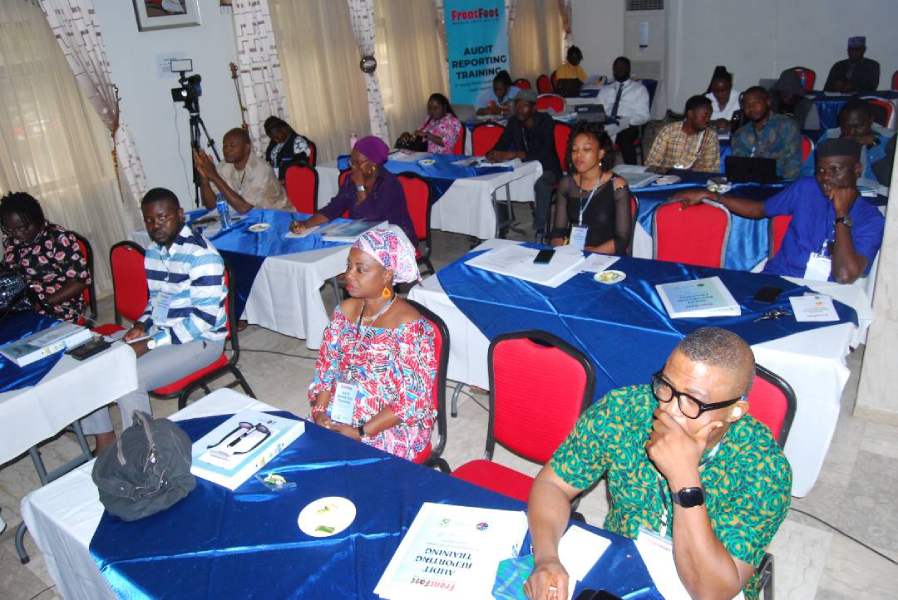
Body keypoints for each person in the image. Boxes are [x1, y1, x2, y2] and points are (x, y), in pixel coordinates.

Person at [525, 328, 791, 600]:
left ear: (735, 411)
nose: (668, 409)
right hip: (622, 561)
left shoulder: (765, 469)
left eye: (693, 401)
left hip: (705, 579)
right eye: (666, 386)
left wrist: (685, 480)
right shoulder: (623, 411)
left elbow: (712, 593)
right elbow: (553, 483)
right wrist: (546, 558)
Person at [81, 188, 228, 452]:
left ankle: (142, 454)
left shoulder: (202, 256)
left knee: (128, 380)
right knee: (94, 357)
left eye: (163, 217)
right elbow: (158, 299)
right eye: (149, 220)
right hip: (165, 331)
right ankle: (104, 438)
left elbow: (203, 320)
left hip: (202, 340)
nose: (155, 226)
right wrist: (142, 326)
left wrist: (149, 344)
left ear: (180, 215)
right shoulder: (154, 251)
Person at [675, 138, 884, 284]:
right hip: (780, 280)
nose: (825, 177)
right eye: (821, 170)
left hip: (828, 292)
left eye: (835, 169)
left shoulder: (871, 219)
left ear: (857, 170)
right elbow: (759, 209)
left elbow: (845, 275)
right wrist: (712, 196)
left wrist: (841, 213)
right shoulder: (806, 188)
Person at [308, 226, 436, 460]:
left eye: (360, 269)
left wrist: (360, 432)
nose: (349, 275)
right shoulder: (344, 312)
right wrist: (320, 412)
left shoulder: (409, 327)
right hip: (341, 411)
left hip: (390, 425)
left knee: (343, 466)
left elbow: (412, 401)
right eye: (349, 266)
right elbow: (326, 368)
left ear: (387, 275)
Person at [289, 136, 417, 244]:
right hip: (362, 234)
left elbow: (371, 216)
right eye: (351, 161)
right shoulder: (351, 180)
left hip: (394, 236)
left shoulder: (389, 183)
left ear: (373, 164)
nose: (353, 167)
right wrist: (306, 224)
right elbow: (334, 208)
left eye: (357, 162)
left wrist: (360, 187)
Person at [0, 192, 90, 322]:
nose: (17, 234)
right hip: (20, 306)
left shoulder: (57, 238)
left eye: (23, 227)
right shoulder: (11, 239)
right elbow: (10, 269)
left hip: (55, 307)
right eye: (10, 230)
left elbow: (79, 282)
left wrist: (43, 304)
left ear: (38, 218)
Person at [486, 89, 562, 240]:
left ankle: (540, 229)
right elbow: (502, 144)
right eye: (517, 105)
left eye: (524, 106)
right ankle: (503, 224)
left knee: (542, 184)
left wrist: (515, 154)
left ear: (534, 108)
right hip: (523, 169)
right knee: (497, 181)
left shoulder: (545, 121)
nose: (520, 110)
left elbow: (544, 153)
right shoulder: (514, 122)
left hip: (547, 168)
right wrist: (492, 153)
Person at [549, 123, 631, 254]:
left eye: (586, 150)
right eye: (574, 150)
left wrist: (590, 253)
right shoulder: (567, 183)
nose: (578, 155)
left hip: (606, 257)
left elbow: (622, 240)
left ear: (601, 153)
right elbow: (557, 231)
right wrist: (564, 249)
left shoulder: (617, 185)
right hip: (573, 254)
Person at [194, 127, 290, 213]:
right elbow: (212, 205)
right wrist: (204, 178)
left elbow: (243, 208)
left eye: (232, 146)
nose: (226, 150)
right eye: (225, 146)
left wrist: (214, 176)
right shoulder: (224, 166)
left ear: (247, 147)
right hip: (251, 219)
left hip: (279, 216)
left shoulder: (260, 169)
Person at [801, 99, 894, 181]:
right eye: (845, 127)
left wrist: (874, 147)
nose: (851, 132)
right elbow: (808, 171)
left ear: (871, 121)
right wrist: (837, 147)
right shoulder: (831, 136)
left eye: (858, 127)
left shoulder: (888, 140)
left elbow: (889, 179)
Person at [731, 86, 802, 180]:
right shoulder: (740, 134)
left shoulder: (786, 126)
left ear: (768, 102)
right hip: (751, 186)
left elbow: (792, 165)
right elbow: (739, 168)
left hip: (781, 184)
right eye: (746, 105)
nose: (751, 108)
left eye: (755, 103)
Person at [596, 56, 650, 164]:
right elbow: (597, 110)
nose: (619, 70)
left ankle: (632, 170)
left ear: (629, 70)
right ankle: (600, 168)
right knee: (589, 135)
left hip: (628, 125)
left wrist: (625, 121)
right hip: (607, 122)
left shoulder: (639, 90)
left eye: (622, 67)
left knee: (624, 137)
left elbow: (644, 116)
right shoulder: (605, 90)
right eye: (616, 68)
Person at [645, 95, 720, 172]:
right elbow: (652, 162)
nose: (708, 120)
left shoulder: (710, 136)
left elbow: (710, 170)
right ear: (690, 114)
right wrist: (660, 169)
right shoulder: (669, 130)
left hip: (693, 181)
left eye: (709, 116)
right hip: (665, 179)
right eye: (704, 116)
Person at [396, 93, 462, 155]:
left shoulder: (452, 121)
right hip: (425, 155)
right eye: (430, 107)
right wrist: (408, 136)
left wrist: (428, 135)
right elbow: (419, 134)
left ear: (444, 107)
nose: (432, 110)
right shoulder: (429, 119)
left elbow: (448, 143)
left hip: (443, 157)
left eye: (436, 107)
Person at [263, 116, 313, 180]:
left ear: (283, 129)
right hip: (275, 180)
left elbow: (301, 168)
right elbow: (268, 158)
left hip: (291, 181)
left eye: (277, 137)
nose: (276, 140)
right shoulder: (275, 143)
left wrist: (284, 180)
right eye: (272, 138)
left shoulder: (298, 143)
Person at [705, 66, 741, 131]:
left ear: (730, 87)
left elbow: (748, 122)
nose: (720, 94)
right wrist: (714, 123)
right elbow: (694, 121)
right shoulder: (705, 99)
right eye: (716, 91)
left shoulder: (740, 99)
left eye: (723, 90)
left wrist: (729, 123)